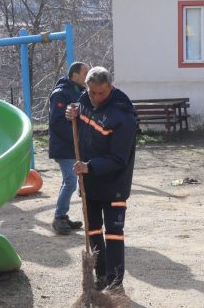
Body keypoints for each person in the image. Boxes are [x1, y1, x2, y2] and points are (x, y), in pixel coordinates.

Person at [64, 66, 137, 290]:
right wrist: (72, 116)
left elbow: (119, 159)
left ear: (110, 87)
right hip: (89, 183)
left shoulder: (122, 114)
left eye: (101, 93)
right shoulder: (84, 100)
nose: (95, 98)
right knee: (93, 230)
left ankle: (115, 283)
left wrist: (90, 166)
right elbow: (83, 130)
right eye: (92, 92)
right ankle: (101, 274)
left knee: (113, 234)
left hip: (114, 184)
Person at [48, 62, 90, 235]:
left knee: (70, 181)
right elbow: (56, 122)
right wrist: (77, 139)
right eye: (85, 73)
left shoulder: (81, 93)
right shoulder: (60, 94)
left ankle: (63, 216)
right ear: (75, 76)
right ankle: (59, 217)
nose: (88, 76)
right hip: (64, 147)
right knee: (71, 181)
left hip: (75, 146)